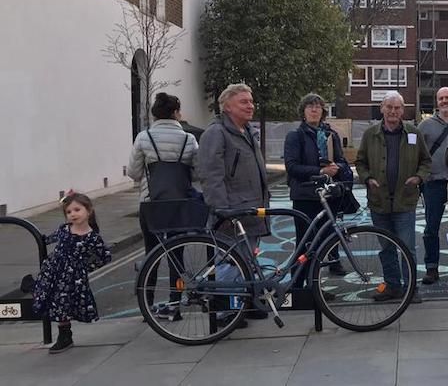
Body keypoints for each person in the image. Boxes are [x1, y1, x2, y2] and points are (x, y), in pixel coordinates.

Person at [198, 83, 269, 321]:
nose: (251, 106)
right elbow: (211, 176)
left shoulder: (247, 131)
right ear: (227, 106)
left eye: (251, 101)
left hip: (250, 210)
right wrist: (222, 210)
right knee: (229, 263)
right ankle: (226, 312)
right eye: (244, 102)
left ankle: (245, 305)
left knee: (248, 260)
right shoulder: (215, 133)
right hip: (231, 213)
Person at [127, 92, 199, 320]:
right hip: (179, 204)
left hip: (151, 204)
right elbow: (197, 172)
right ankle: (174, 304)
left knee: (152, 254)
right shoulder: (188, 140)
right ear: (176, 112)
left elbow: (134, 173)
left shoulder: (143, 137)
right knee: (176, 256)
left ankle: (146, 306)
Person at [356, 92, 431, 303]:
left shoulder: (413, 133)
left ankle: (410, 288)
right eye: (389, 107)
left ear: (403, 110)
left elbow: (426, 161)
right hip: (379, 201)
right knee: (386, 247)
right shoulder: (370, 134)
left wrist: (418, 177)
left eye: (397, 108)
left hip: (404, 201)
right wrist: (368, 178)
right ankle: (392, 286)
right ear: (381, 108)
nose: (393, 111)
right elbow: (360, 162)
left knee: (407, 247)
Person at [283, 93, 354, 277]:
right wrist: (320, 171)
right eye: (309, 106)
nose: (314, 110)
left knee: (327, 238)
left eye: (317, 106)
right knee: (305, 243)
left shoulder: (331, 135)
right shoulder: (295, 136)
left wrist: (337, 167)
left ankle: (320, 280)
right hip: (305, 196)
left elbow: (342, 161)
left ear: (323, 111)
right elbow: (292, 167)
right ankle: (298, 285)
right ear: (303, 112)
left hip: (328, 195)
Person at [32, 192, 111, 354]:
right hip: (53, 273)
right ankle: (64, 334)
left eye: (77, 210)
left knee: (64, 304)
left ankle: (65, 336)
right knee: (51, 300)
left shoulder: (92, 237)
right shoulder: (64, 229)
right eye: (68, 212)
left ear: (88, 211)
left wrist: (84, 268)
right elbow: (47, 240)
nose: (73, 214)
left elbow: (104, 257)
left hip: (72, 278)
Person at [418, 87, 448, 285]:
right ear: (436, 101)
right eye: (441, 98)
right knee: (431, 227)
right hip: (433, 183)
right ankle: (431, 268)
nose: (444, 101)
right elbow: (418, 154)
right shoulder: (424, 126)